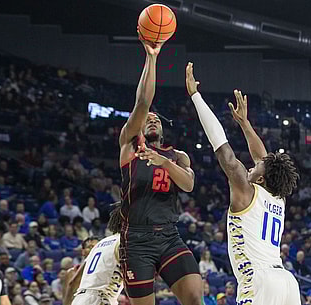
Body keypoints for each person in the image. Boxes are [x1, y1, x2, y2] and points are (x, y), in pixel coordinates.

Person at [185, 62, 300, 305]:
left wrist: (196, 97)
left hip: (259, 281)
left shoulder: (246, 191)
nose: (251, 165)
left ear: (260, 178)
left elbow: (222, 148)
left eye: (255, 167)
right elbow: (264, 158)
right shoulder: (278, 196)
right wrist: (245, 124)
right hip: (287, 282)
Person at [107, 33, 202, 305]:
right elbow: (143, 103)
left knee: (195, 297)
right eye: (147, 120)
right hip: (136, 239)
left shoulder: (178, 156)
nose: (151, 120)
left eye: (155, 120)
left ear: (162, 128)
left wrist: (165, 163)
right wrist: (151, 57)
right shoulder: (129, 147)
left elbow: (188, 185)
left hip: (169, 236)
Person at [68, 234, 123, 305]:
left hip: (79, 298)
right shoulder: (124, 242)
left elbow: (74, 281)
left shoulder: (99, 245)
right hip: (100, 298)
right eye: (88, 247)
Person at [63, 236, 99, 305]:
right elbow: (66, 298)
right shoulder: (72, 272)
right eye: (90, 247)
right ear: (83, 251)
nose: (93, 249)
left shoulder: (106, 270)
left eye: (96, 247)